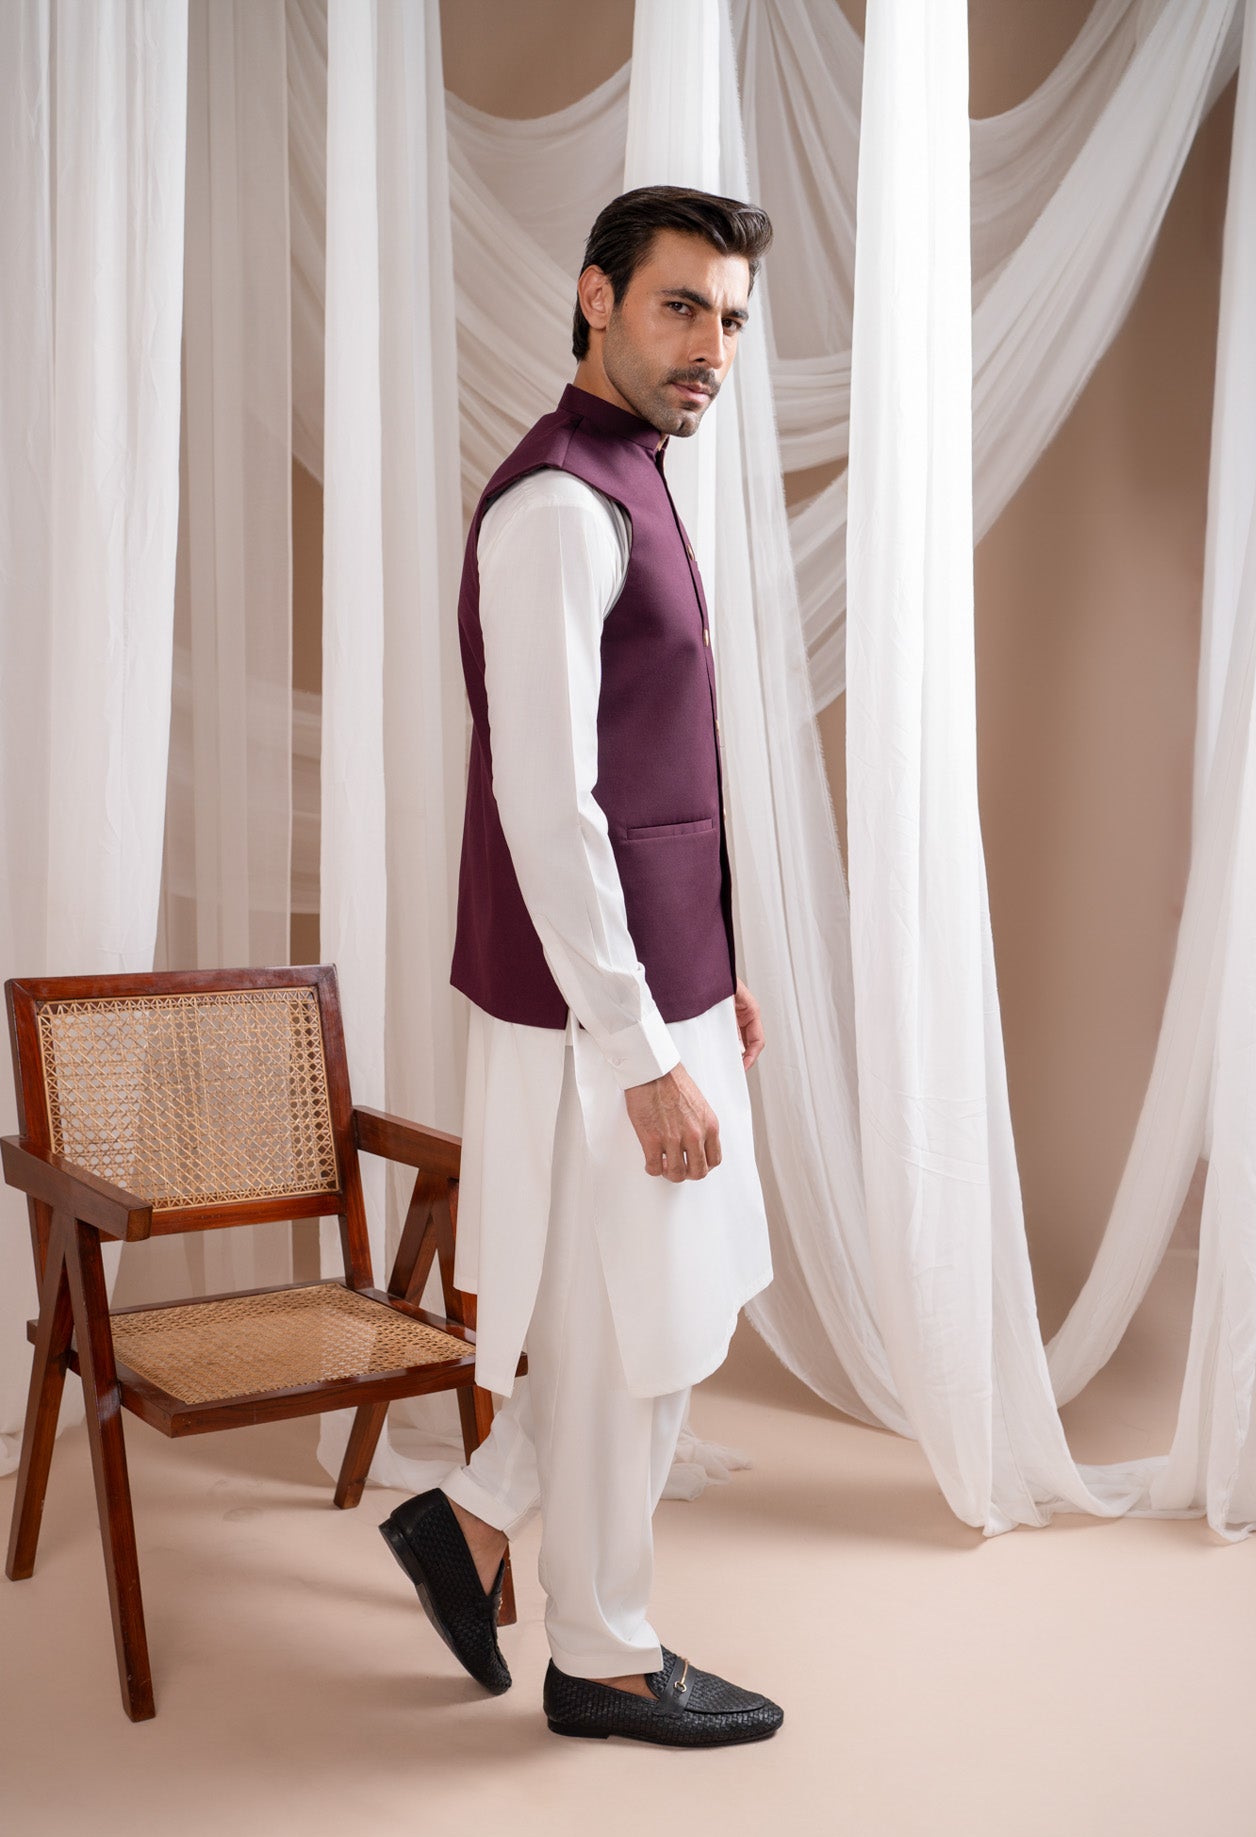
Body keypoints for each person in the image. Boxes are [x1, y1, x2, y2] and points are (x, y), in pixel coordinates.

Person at [380, 186, 781, 1749]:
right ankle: (601, 1656)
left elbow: (659, 766)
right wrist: (636, 1044)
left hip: (656, 974)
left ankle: (471, 1519)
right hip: (587, 1005)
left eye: (731, 320)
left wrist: (711, 972)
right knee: (635, 1333)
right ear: (596, 298)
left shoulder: (635, 469)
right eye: (681, 307)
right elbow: (548, 809)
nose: (710, 348)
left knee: (647, 1321)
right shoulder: (557, 502)